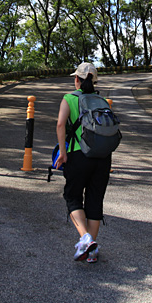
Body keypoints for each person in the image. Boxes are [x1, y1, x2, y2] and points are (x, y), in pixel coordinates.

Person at [55, 62, 111, 263]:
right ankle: (92, 252)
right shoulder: (102, 100)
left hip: (78, 155)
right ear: (95, 81)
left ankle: (85, 238)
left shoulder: (69, 98)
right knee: (95, 201)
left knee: (73, 197)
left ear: (77, 79)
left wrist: (63, 153)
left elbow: (61, 124)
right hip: (102, 158)